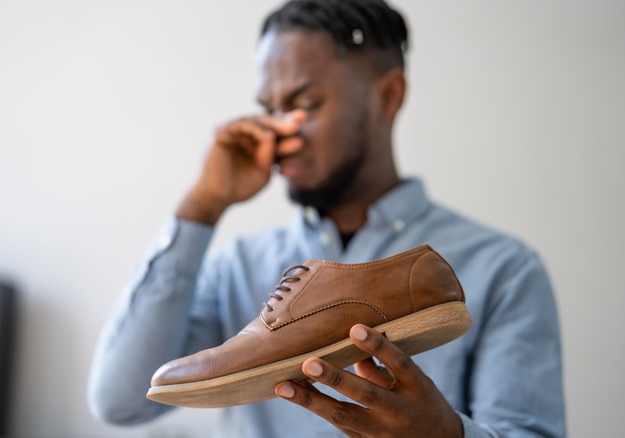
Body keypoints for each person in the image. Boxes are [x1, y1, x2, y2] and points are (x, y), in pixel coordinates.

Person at [87, 0, 565, 436]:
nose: (278, 132)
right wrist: (201, 206)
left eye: (304, 104)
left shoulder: (502, 267)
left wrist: (450, 435)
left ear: (387, 96)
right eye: (269, 110)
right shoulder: (236, 266)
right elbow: (121, 402)